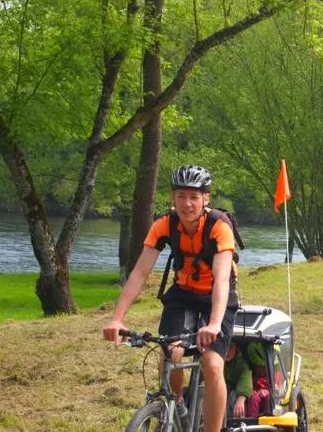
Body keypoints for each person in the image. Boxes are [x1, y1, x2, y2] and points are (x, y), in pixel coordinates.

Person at [102, 165, 238, 432]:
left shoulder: (219, 227)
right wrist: (117, 318)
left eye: (194, 197)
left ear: (205, 199)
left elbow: (222, 280)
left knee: (211, 364)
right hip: (183, 294)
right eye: (180, 196)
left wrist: (213, 324)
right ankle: (174, 411)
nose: (187, 203)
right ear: (172, 197)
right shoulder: (164, 224)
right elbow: (140, 272)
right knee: (171, 351)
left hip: (217, 298)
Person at [224, 342, 267, 418]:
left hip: (232, 401)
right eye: (223, 346)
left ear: (237, 348)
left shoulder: (241, 364)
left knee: (235, 395)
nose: (226, 350)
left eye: (230, 346)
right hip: (217, 397)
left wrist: (241, 399)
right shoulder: (212, 361)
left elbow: (245, 379)